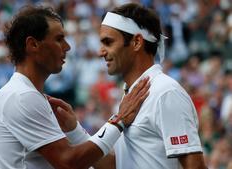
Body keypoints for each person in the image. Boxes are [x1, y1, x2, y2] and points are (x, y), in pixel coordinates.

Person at [0, 5, 150, 169]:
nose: (67, 46)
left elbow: (106, 164)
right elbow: (68, 163)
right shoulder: (22, 96)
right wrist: (118, 120)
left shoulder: (25, 94)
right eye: (59, 39)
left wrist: (75, 130)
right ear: (33, 45)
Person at [49, 3, 207, 169]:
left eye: (108, 42)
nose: (100, 52)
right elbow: (117, 165)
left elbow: (195, 166)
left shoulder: (165, 92)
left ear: (137, 42)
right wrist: (75, 130)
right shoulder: (131, 95)